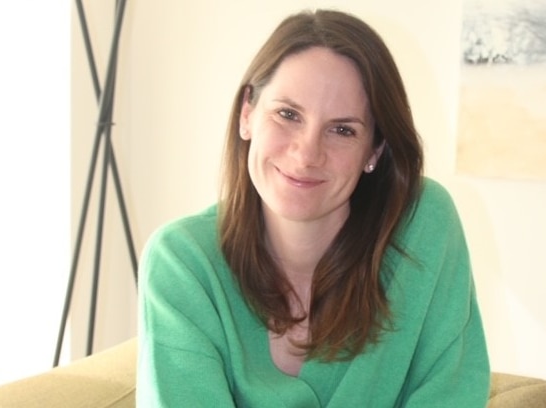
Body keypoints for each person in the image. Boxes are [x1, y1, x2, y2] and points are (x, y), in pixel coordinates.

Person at [137, 8, 490, 407]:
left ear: (374, 150)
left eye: (342, 130)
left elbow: (453, 392)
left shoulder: (424, 224)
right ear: (247, 114)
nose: (307, 154)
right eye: (287, 114)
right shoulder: (182, 262)